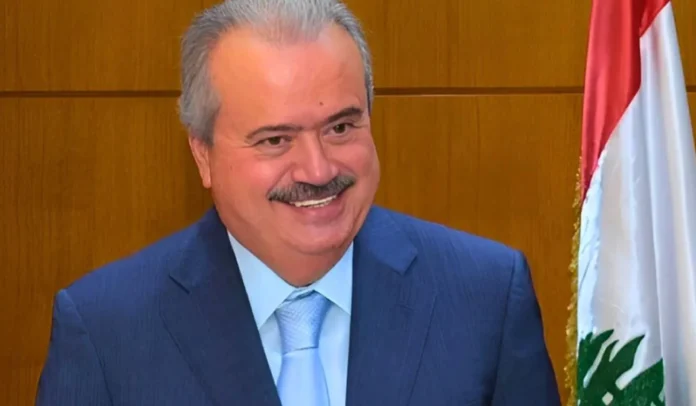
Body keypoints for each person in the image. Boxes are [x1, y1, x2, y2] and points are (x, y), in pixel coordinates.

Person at [36, 0, 561, 405]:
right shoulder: (107, 331)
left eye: (340, 128)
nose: (318, 170)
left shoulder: (486, 298)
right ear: (203, 155)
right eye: (275, 139)